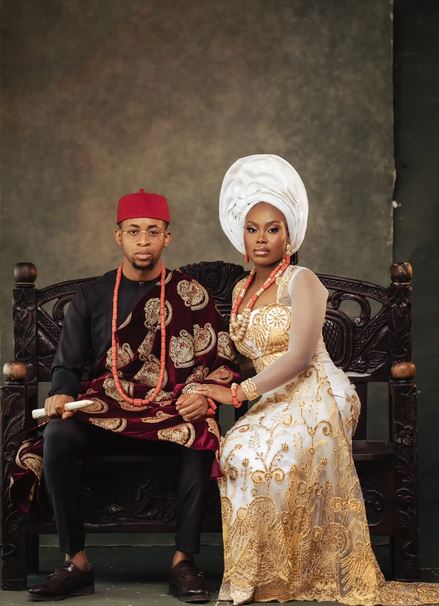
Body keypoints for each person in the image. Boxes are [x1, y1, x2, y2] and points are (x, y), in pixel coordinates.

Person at [194, 155, 439, 605]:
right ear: (241, 237)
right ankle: (264, 575)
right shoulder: (241, 289)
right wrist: (215, 380)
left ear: (288, 235)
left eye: (272, 229)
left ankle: (298, 573)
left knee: (268, 457)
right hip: (272, 397)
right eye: (253, 229)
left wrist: (238, 393)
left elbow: (300, 356)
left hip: (319, 390)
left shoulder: (301, 281)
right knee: (237, 451)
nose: (262, 238)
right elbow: (249, 357)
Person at [11, 189, 239, 603]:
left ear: (167, 237)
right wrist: (61, 394)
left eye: (153, 231)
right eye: (134, 231)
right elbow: (67, 365)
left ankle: (184, 562)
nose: (143, 240)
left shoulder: (191, 294)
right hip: (107, 409)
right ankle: (75, 562)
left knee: (201, 431)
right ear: (119, 236)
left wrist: (204, 396)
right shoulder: (94, 295)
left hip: (168, 411)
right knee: (57, 435)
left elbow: (222, 360)